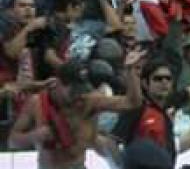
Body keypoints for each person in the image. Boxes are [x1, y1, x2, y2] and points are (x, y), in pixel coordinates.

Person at [10, 51, 144, 169]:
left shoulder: (89, 101)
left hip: (77, 166)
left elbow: (132, 102)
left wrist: (130, 70)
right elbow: (13, 141)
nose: (79, 96)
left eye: (81, 90)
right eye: (73, 91)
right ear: (58, 83)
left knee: (104, 142)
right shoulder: (37, 103)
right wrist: (33, 136)